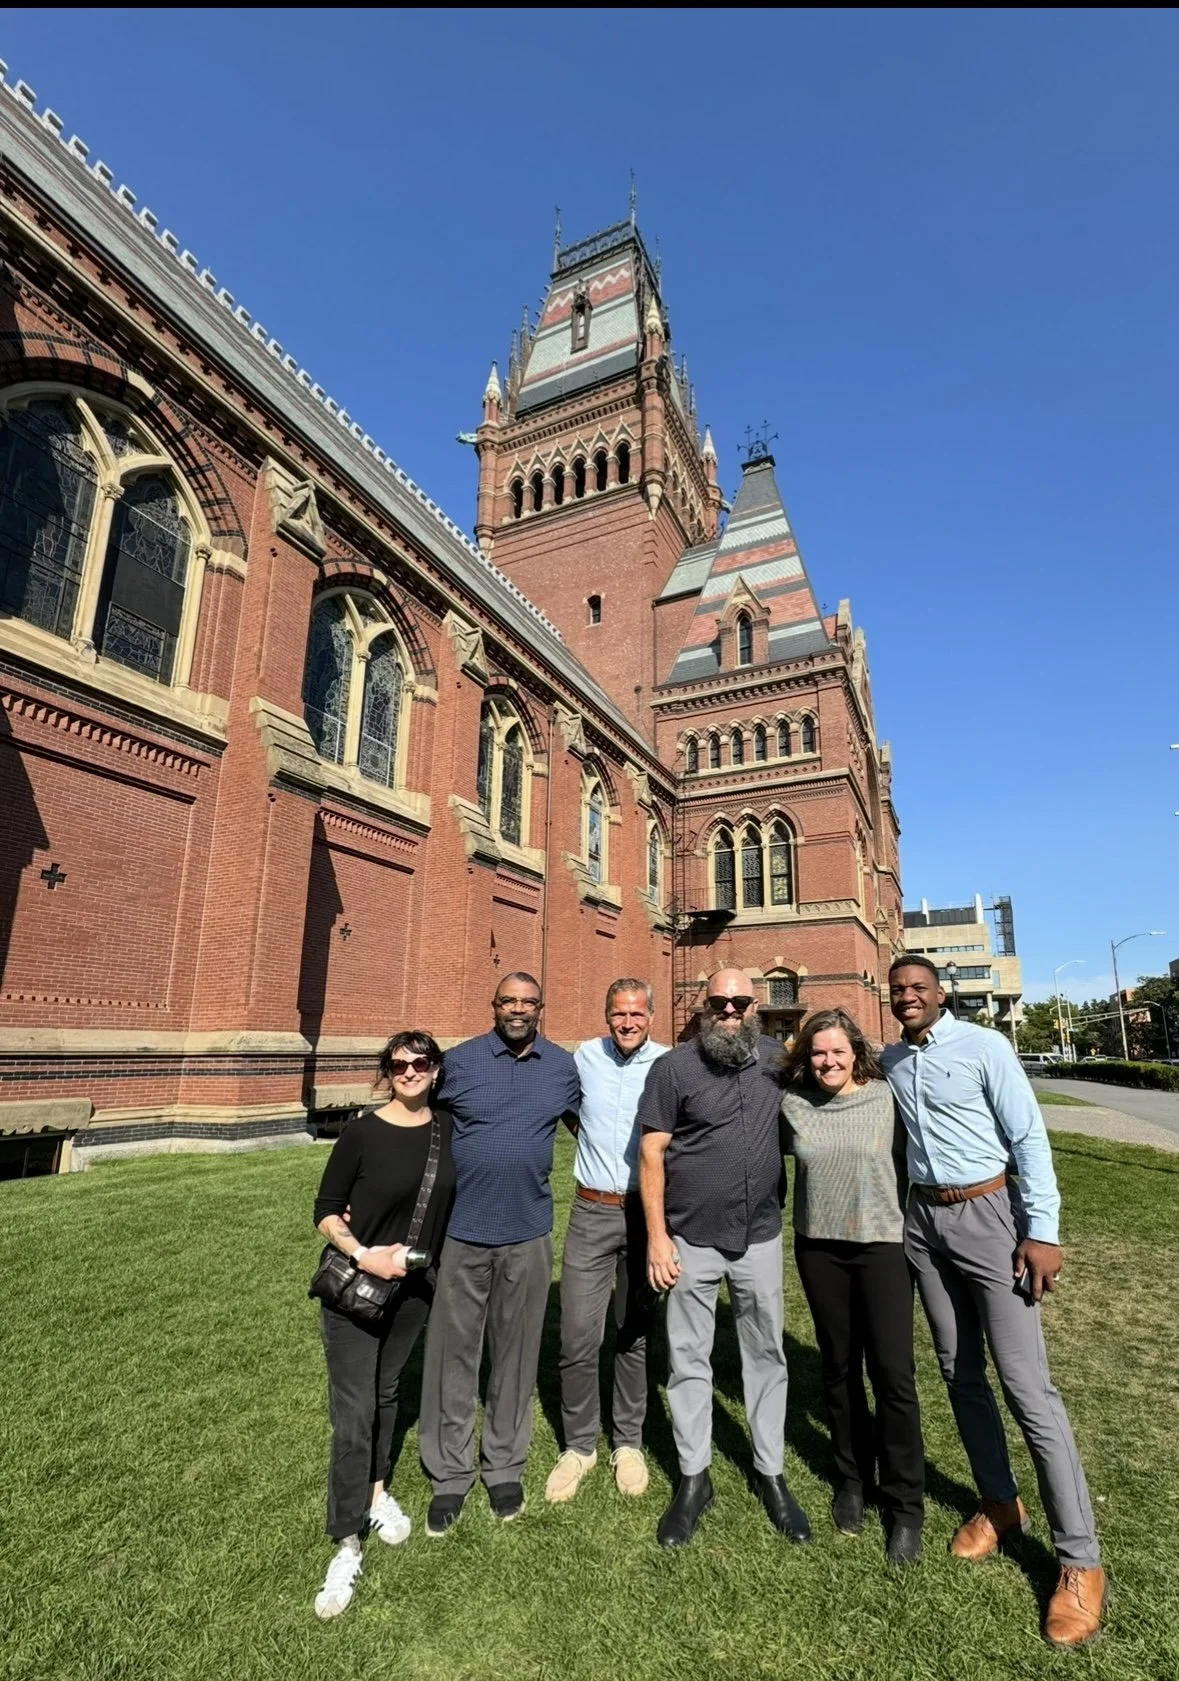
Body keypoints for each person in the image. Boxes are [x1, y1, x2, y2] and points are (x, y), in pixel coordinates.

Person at [882, 956, 1106, 1649]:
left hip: (988, 1214)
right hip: (923, 1222)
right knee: (958, 1372)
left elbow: (1028, 1137)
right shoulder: (892, 1059)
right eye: (897, 991)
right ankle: (998, 1502)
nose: (907, 997)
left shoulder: (984, 1046)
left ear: (940, 994)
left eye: (917, 988)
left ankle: (1079, 1561)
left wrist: (1042, 1230)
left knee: (1026, 1388)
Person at [637, 967, 811, 1548]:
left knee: (766, 1353)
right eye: (720, 1002)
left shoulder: (776, 1062)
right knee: (689, 1358)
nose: (731, 1011)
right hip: (691, 1237)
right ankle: (694, 1477)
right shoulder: (675, 1068)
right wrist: (658, 1238)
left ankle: (770, 1471)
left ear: (754, 1005)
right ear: (703, 1007)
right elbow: (652, 1155)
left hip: (759, 1235)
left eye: (740, 1002)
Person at [418, 971, 580, 1534]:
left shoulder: (563, 1068)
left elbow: (596, 1131)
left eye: (528, 1002)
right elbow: (417, 1125)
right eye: (508, 1001)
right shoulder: (458, 1063)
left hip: (529, 1233)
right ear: (494, 1006)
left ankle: (505, 1465)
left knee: (516, 1354)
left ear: (541, 1007)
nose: (518, 1009)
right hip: (462, 1233)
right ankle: (449, 1474)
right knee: (451, 1354)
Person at [311, 1031, 455, 1620]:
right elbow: (325, 1209)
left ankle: (375, 1495)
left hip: (415, 1290)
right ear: (386, 1072)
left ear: (436, 1070)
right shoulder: (362, 1133)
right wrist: (363, 1253)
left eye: (421, 1063)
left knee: (387, 1391)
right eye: (398, 1065)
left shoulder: (449, 1130)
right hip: (358, 1288)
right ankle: (346, 1542)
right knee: (354, 1411)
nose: (410, 1072)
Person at [780, 1008, 924, 1565]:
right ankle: (852, 1481)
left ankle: (905, 1504)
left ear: (856, 1053)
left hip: (882, 1247)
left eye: (838, 1052)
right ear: (805, 1056)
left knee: (893, 1374)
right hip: (819, 1248)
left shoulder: (887, 1098)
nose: (828, 1061)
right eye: (818, 1052)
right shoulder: (792, 1104)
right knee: (838, 1370)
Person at [545, 978, 668, 1505]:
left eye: (637, 1014)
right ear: (606, 1015)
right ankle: (578, 1446)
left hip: (644, 1214)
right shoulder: (584, 1058)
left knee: (634, 1330)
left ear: (651, 1016)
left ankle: (629, 1441)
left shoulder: (668, 1065)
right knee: (576, 1334)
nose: (627, 1022)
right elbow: (574, 1114)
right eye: (618, 1014)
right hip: (592, 1211)